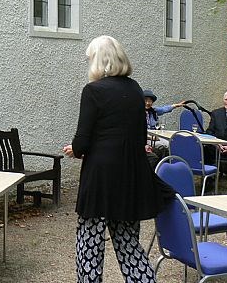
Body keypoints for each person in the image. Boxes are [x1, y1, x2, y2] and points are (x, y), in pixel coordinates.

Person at [62, 35, 174, 282]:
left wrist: (76, 149)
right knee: (129, 246)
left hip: (100, 178)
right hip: (129, 176)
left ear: (99, 61)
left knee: (89, 245)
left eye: (90, 59)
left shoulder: (93, 91)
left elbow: (82, 139)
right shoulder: (135, 89)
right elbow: (138, 134)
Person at [143, 89, 185, 165]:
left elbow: (164, 109)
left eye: (150, 101)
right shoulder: (137, 112)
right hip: (146, 139)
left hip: (156, 137)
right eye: (145, 100)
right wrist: (149, 137)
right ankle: (161, 166)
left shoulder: (153, 111)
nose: (148, 103)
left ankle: (168, 166)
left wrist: (175, 106)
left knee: (170, 144)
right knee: (163, 146)